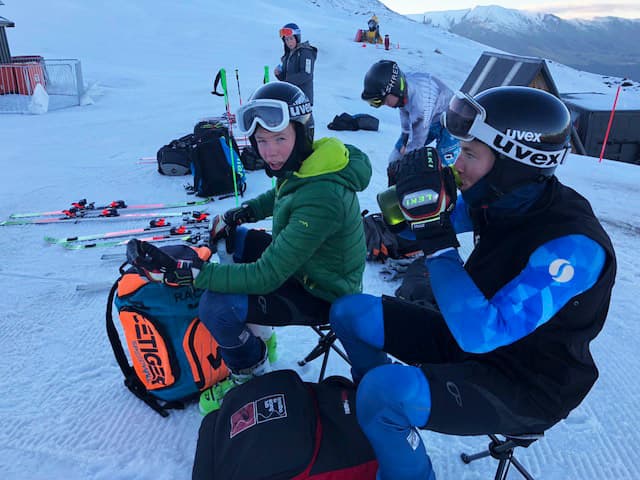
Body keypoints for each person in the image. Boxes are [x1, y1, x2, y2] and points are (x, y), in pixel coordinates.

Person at [330, 86, 616, 480]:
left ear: (514, 164)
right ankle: (379, 425)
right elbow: (414, 226)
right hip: (466, 331)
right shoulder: (499, 196)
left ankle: (386, 422)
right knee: (350, 312)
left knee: (383, 392)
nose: (456, 163)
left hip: (527, 381)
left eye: (469, 153)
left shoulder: (573, 247)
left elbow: (482, 333)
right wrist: (407, 202)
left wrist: (437, 241)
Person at [128, 81, 371, 414]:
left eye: (279, 139)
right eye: (261, 141)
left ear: (303, 133)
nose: (269, 151)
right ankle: (259, 341)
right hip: (308, 267)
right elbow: (283, 194)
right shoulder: (312, 162)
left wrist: (196, 275)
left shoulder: (323, 196)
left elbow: (267, 275)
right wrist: (241, 213)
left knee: (215, 304)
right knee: (235, 238)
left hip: (325, 292)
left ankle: (250, 374)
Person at [361, 60, 460, 185]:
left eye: (382, 101)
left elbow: (418, 142)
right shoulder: (402, 89)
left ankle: (443, 194)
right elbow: (405, 115)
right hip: (432, 118)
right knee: (395, 158)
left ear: (393, 90)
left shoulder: (420, 103)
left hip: (452, 122)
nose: (383, 105)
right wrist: (404, 141)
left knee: (443, 167)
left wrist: (408, 154)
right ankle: (397, 189)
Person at [274, 23, 318, 105]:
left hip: (302, 99)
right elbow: (285, 78)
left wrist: (287, 82)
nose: (289, 42)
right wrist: (279, 74)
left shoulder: (306, 52)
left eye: (291, 39)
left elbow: (306, 74)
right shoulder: (288, 55)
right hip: (290, 96)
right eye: (286, 40)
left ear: (297, 38)